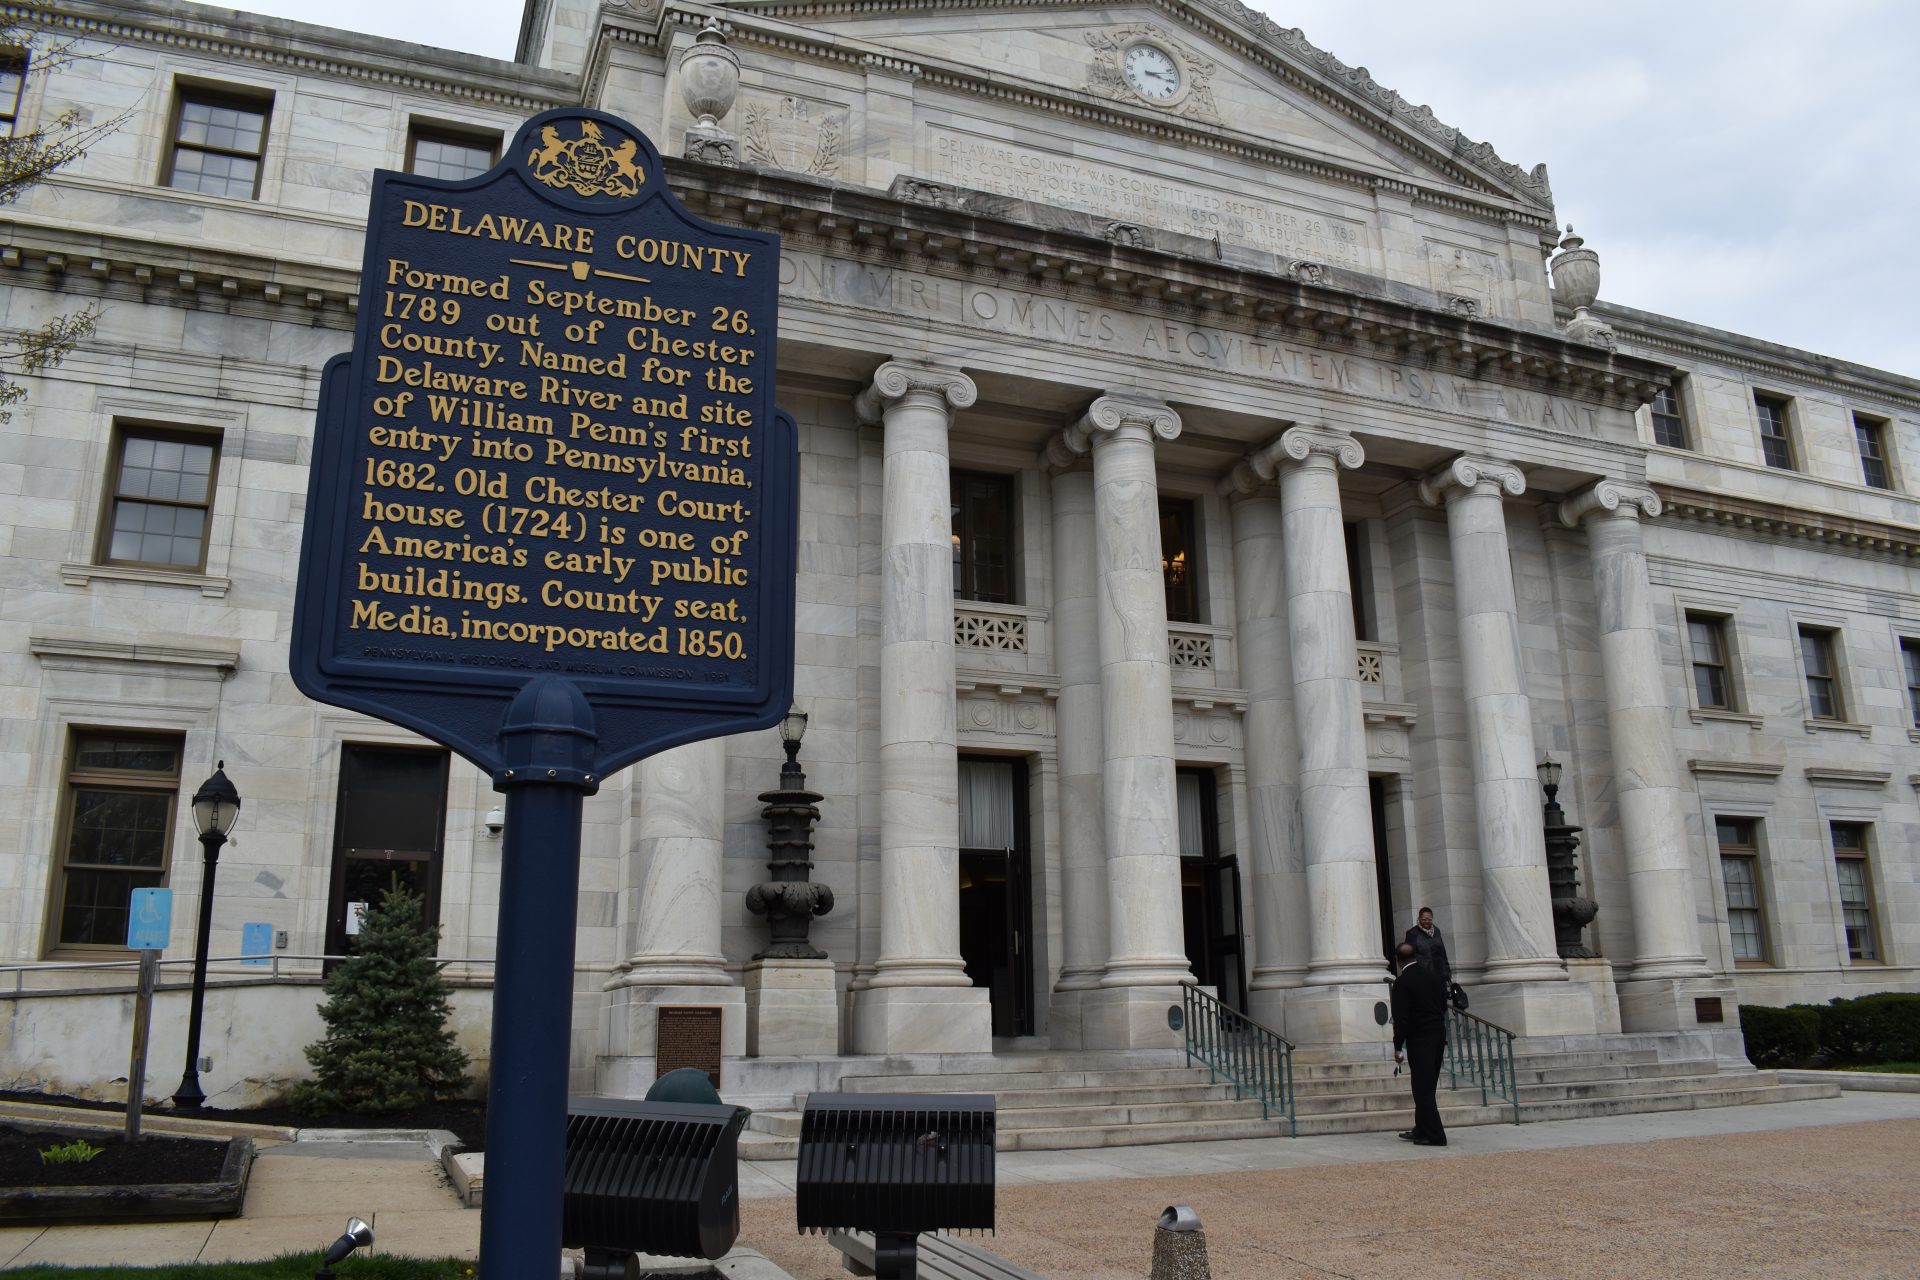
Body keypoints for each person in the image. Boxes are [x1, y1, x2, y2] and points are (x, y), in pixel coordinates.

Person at [1390, 939, 1448, 1146]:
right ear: (1415, 956)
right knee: (1427, 1086)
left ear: (1397, 960)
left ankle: (1435, 1134)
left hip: (1420, 1039)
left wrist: (1398, 1045)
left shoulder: (1403, 982)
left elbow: (1401, 1017)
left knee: (1422, 1089)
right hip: (1437, 1035)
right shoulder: (1433, 976)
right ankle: (1422, 1127)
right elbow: (1443, 1005)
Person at [1403, 906, 1451, 986]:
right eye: (1424, 919)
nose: (1427, 922)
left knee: (1441, 998)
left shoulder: (1436, 931)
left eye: (1429, 919)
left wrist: (1447, 972)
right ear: (1419, 918)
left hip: (1440, 975)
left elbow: (1443, 952)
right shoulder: (1412, 933)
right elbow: (1409, 957)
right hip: (1423, 976)